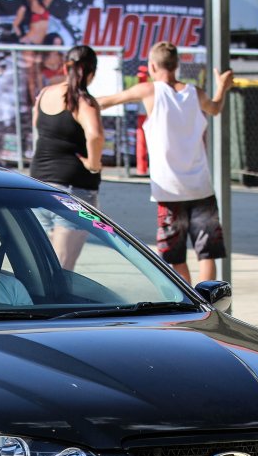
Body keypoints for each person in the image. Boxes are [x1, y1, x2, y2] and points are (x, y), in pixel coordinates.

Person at [97, 42, 233, 283]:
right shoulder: (195, 92)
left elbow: (109, 101)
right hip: (201, 185)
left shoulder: (149, 91)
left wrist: (74, 99)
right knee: (207, 253)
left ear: (152, 66)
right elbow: (215, 108)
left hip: (169, 189)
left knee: (174, 254)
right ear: (177, 65)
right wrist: (222, 87)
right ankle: (210, 303)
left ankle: (192, 302)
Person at [29, 45, 104, 271]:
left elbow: (36, 125)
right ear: (91, 73)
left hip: (38, 185)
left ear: (65, 67)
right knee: (63, 268)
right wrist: (93, 164)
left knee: (41, 266)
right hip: (73, 190)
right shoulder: (83, 101)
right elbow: (96, 135)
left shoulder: (45, 94)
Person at [14, 0, 55, 102]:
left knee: (39, 72)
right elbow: (15, 25)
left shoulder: (44, 4)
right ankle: (34, 102)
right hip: (30, 44)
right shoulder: (25, 8)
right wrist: (22, 37)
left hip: (41, 44)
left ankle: (42, 99)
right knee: (31, 75)